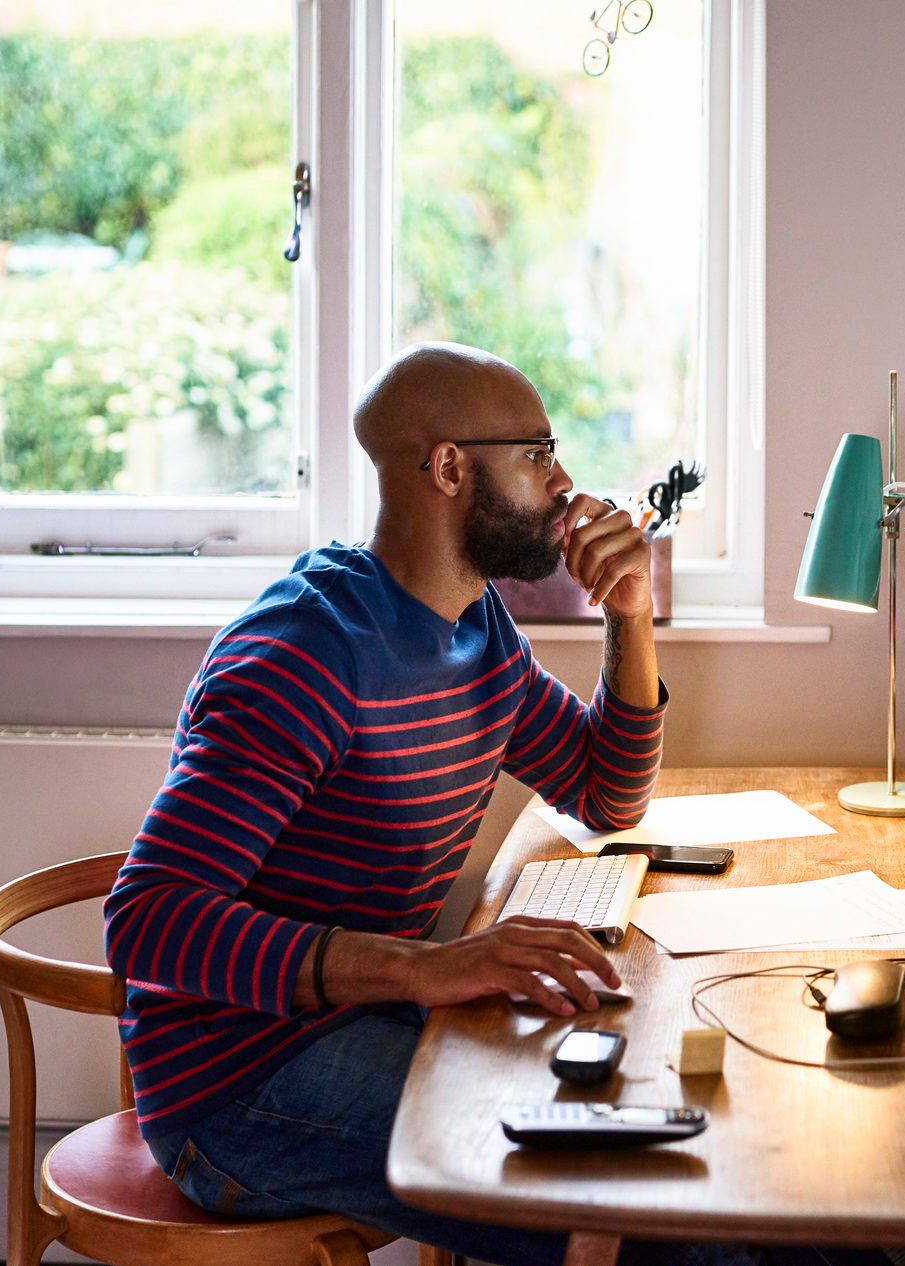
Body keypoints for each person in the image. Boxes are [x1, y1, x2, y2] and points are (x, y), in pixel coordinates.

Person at [104, 342, 702, 1266]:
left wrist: (628, 614)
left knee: (684, 1152)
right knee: (658, 1220)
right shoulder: (307, 655)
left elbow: (604, 793)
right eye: (539, 454)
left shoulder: (475, 626)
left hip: (368, 1025)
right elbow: (145, 922)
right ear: (451, 467)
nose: (565, 481)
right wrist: (425, 971)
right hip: (240, 1088)